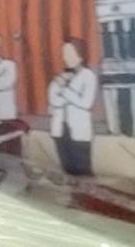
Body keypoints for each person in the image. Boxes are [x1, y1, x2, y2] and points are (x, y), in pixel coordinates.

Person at [48, 39, 98, 176]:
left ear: (80, 55)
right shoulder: (60, 76)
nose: (65, 57)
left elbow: (86, 103)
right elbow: (54, 100)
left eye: (69, 53)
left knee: (82, 169)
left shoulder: (88, 76)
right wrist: (70, 96)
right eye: (64, 53)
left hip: (79, 129)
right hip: (60, 129)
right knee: (66, 169)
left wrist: (65, 89)